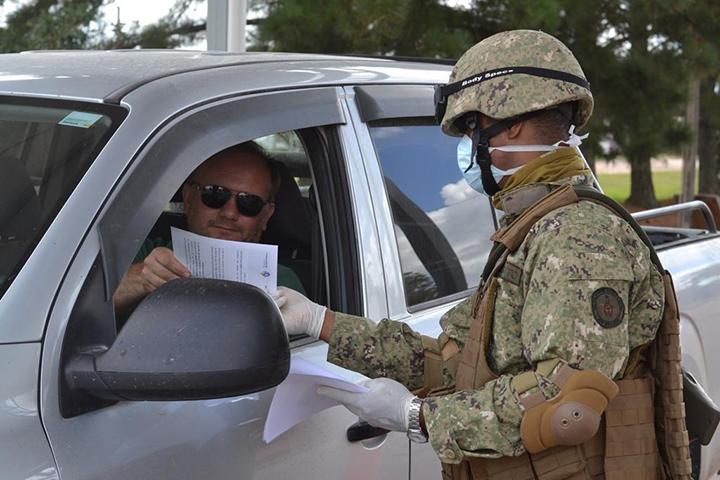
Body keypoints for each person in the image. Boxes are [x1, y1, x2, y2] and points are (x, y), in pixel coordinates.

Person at [275, 30, 692, 479]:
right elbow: (457, 361)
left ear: (509, 122)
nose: (470, 145)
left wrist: (418, 417)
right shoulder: (534, 225)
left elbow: (568, 406)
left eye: (473, 128)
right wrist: (320, 322)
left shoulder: (577, 236)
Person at [113, 142, 305, 316]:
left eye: (248, 202)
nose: (229, 213)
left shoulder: (281, 282)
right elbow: (89, 303)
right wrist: (142, 278)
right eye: (215, 194)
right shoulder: (145, 255)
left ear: (266, 216)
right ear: (188, 199)